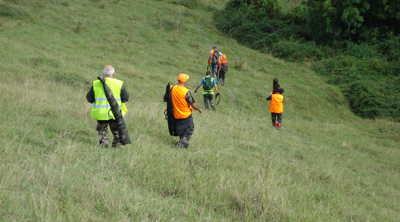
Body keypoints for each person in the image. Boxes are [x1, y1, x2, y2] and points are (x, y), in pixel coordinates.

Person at [86, 65, 130, 148]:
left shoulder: (96, 83)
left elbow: (89, 98)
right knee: (116, 131)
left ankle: (104, 142)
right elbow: (125, 98)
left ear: (103, 73)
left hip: (100, 113)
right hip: (115, 113)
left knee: (102, 130)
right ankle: (116, 146)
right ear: (113, 74)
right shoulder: (119, 83)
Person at [164, 73, 202, 148]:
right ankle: (181, 144)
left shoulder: (171, 88)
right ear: (185, 81)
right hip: (185, 115)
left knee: (181, 130)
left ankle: (183, 143)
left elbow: (165, 99)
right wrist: (199, 109)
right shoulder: (186, 92)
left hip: (174, 114)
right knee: (189, 130)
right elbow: (193, 105)